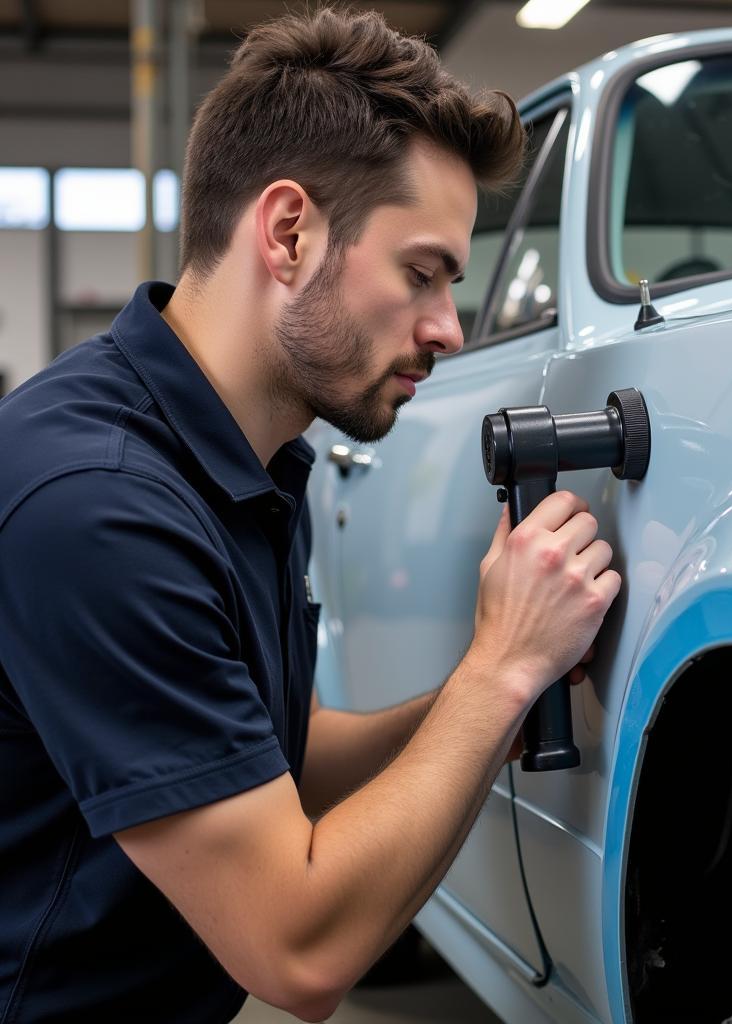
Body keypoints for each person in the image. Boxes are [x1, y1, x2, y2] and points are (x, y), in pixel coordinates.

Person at [0, 7, 620, 1021]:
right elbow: (296, 952)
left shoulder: (240, 459)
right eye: (420, 273)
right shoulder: (97, 506)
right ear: (290, 232)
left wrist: (488, 700)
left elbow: (273, 754)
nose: (447, 330)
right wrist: (497, 671)